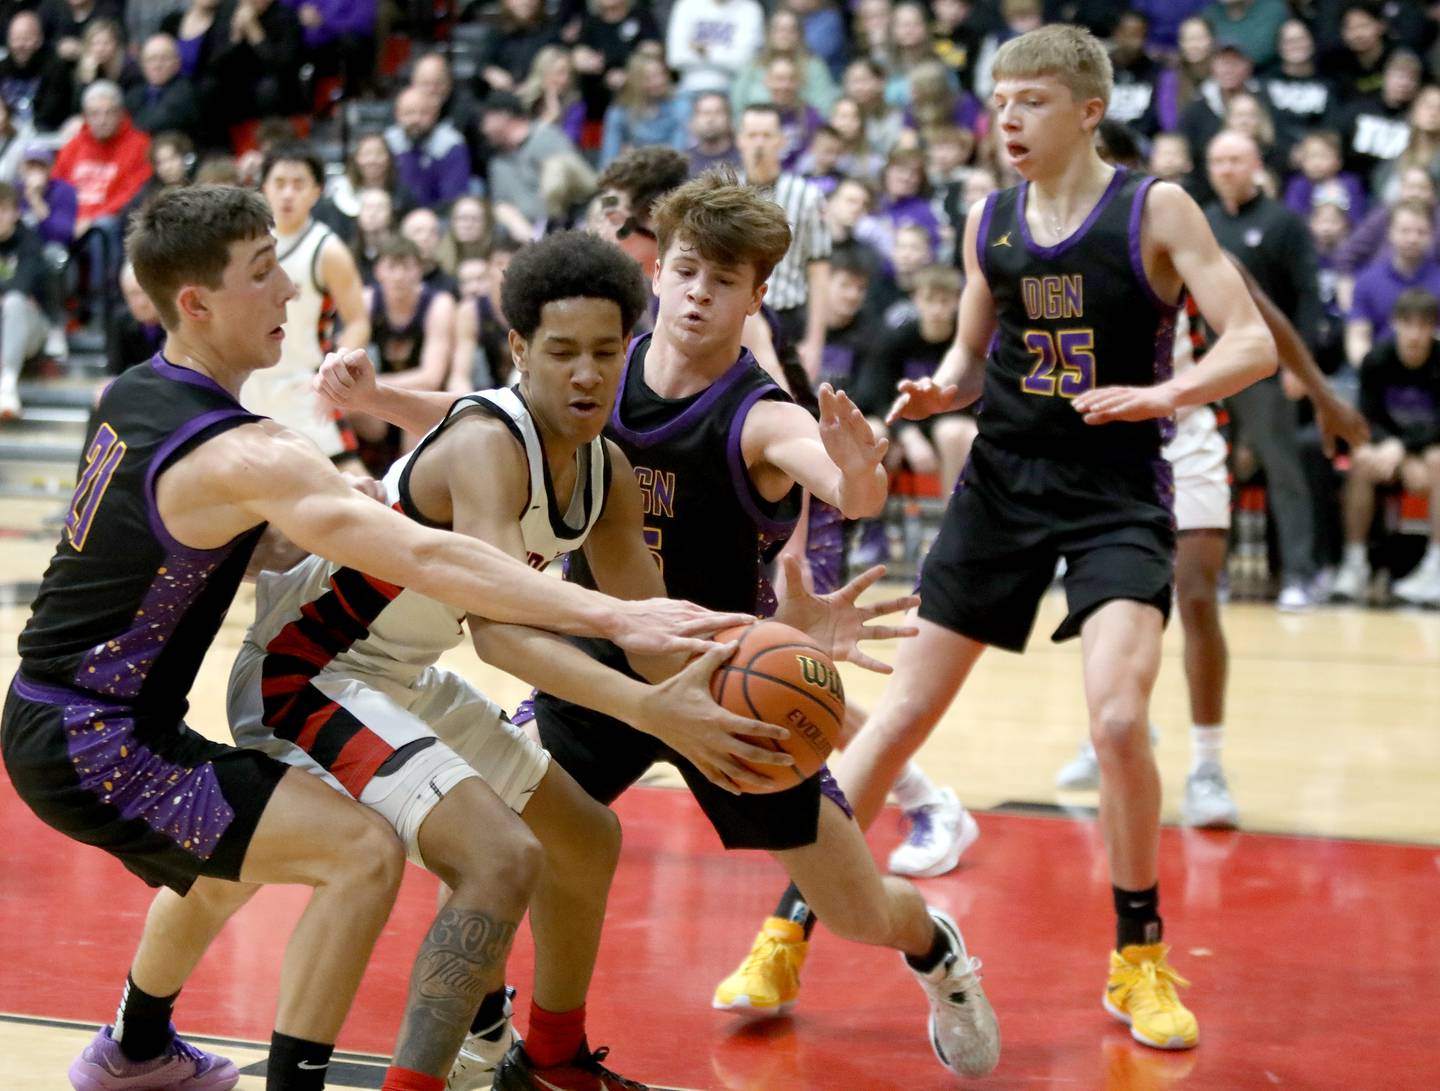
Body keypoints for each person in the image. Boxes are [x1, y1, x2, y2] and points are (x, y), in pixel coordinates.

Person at [2, 185, 740, 1091]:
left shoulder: (140, 392)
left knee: (253, 858)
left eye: (605, 351)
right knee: (364, 853)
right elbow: (437, 562)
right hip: (136, 723)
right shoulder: (254, 451)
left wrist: (752, 644)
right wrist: (614, 621)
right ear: (194, 303)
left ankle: (136, 1046)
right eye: (266, 274)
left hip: (118, 712)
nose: (290, 293)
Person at [323, 170, 1003, 1080]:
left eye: (724, 281)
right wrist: (377, 405)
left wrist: (861, 477)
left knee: (851, 908)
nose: (697, 293)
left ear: (756, 295)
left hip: (728, 680)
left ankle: (936, 949)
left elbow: (839, 478)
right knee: (506, 851)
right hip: (594, 664)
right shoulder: (596, 362)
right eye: (686, 271)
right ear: (661, 272)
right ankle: (494, 1027)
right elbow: (489, 415)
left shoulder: (761, 415)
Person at [717, 25, 1277, 1052]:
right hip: (1004, 486)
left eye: (1030, 101)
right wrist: (940, 387)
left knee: (1116, 720)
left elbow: (1247, 341)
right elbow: (974, 356)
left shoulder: (1155, 207)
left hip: (1115, 492)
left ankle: (1138, 953)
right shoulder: (990, 220)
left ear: (1087, 110)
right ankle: (788, 925)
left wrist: (1166, 390)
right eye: (999, 100)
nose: (1006, 119)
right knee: (896, 720)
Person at [234, 231, 788, 1091]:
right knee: (501, 859)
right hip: (309, 669)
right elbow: (498, 630)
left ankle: (552, 1061)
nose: (587, 374)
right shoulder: (492, 440)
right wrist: (652, 712)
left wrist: (747, 665)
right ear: (521, 350)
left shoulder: (605, 466)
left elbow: (647, 627)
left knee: (588, 836)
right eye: (562, 352)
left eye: (607, 353)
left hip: (400, 674)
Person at [1205, 129, 1322, 609]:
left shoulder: (1284, 224)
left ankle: (1298, 574)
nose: (1226, 169)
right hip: (1210, 372)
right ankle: (1214, 574)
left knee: (1282, 471)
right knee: (1213, 473)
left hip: (1267, 371)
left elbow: (1308, 298)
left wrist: (1302, 366)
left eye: (1235, 159)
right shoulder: (1204, 222)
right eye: (1218, 161)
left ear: (1255, 164)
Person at [248, 142, 370, 463]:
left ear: (316, 192)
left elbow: (357, 321)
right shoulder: (245, 244)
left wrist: (335, 375)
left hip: (302, 386)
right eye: (280, 183)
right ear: (264, 189)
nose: (288, 193)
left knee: (348, 482)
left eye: (299, 184)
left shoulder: (327, 249)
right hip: (247, 383)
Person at [1333, 287, 1440, 605]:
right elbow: (1368, 417)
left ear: (1433, 329)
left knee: (1438, 461)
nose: (1415, 334)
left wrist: (1405, 449)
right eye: (1409, 325)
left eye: (1424, 326)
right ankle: (1355, 564)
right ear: (1395, 324)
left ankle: (1435, 567)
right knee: (1361, 460)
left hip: (1426, 451)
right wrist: (1394, 450)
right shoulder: (1377, 359)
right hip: (1389, 453)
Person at [0, 180, 50, 419]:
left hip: (32, 328)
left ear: (15, 213)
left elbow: (21, 286)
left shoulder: (30, 241)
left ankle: (7, 385)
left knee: (15, 302)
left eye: (2, 210)